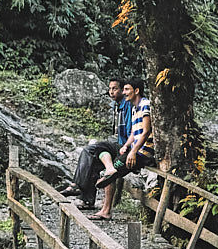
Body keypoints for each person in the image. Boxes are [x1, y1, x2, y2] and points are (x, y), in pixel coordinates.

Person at [60, 76, 132, 210]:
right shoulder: (115, 105)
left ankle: (77, 186)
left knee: (91, 151)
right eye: (110, 89)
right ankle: (87, 200)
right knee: (91, 154)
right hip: (115, 141)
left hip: (123, 144)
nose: (111, 92)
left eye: (115, 89)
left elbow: (130, 131)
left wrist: (127, 146)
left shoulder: (127, 104)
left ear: (122, 90)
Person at [88, 78, 154, 222]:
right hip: (134, 150)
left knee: (110, 175)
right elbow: (133, 133)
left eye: (127, 90)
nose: (124, 93)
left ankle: (106, 210)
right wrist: (126, 146)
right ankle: (109, 170)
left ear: (136, 91)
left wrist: (133, 151)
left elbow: (146, 132)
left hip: (142, 153)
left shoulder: (145, 104)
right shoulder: (135, 108)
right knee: (102, 148)